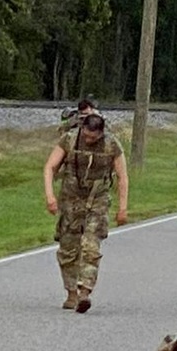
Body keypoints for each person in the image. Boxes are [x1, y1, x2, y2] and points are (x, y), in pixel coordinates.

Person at [43, 113, 128, 311]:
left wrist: (122, 208)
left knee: (90, 247)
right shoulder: (70, 139)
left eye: (93, 138)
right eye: (86, 136)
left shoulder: (111, 145)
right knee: (68, 250)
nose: (89, 140)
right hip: (71, 201)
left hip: (97, 201)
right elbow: (50, 166)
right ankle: (71, 292)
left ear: (101, 133)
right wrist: (50, 196)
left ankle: (84, 292)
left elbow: (123, 177)